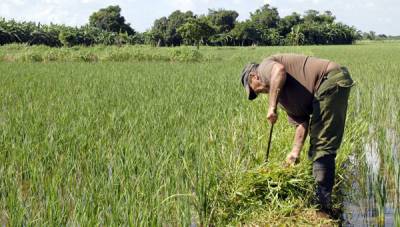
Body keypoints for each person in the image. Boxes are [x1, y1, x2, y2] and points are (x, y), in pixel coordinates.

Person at [240, 54, 354, 215]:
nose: (259, 92)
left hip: (329, 80)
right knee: (315, 150)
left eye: (254, 89)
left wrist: (271, 107)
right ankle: (319, 200)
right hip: (327, 85)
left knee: (322, 147)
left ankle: (322, 209)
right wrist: (294, 153)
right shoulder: (283, 98)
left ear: (254, 76)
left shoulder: (264, 67)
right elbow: (301, 123)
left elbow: (279, 70)